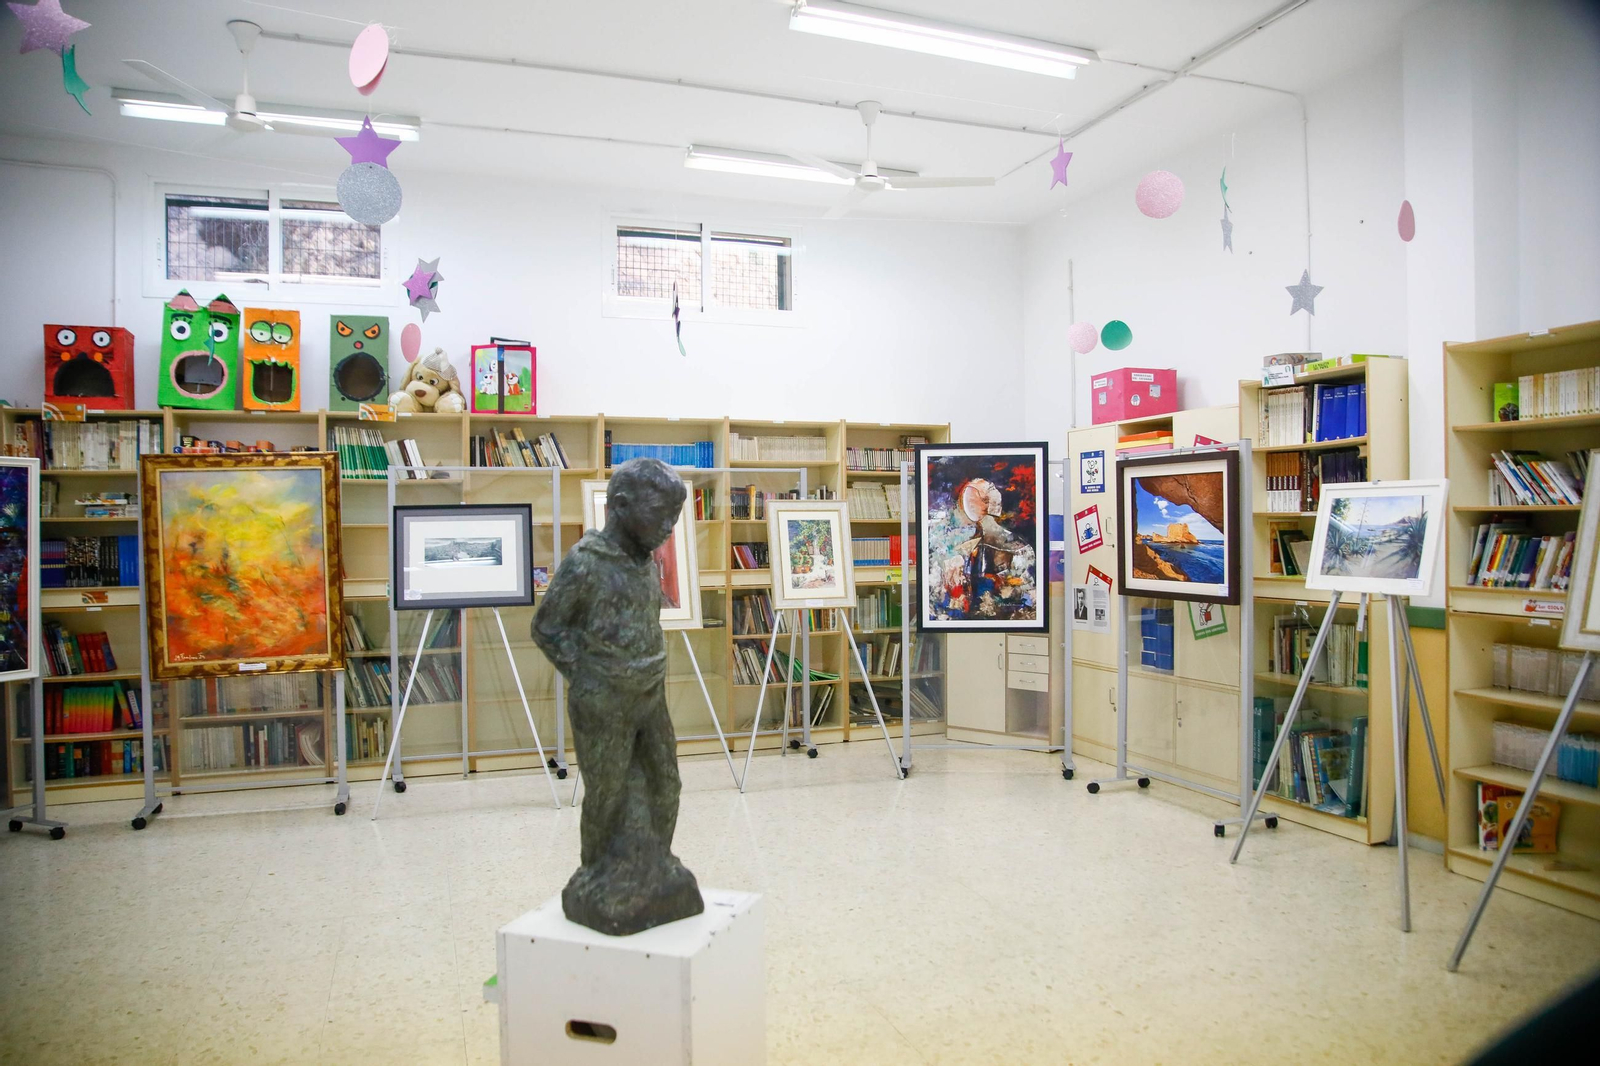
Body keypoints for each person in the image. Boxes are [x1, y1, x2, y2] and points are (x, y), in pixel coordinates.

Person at [531, 457, 704, 935]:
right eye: (661, 516)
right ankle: (597, 871)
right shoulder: (585, 562)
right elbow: (547, 628)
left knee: (665, 781)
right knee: (606, 792)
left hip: (650, 692)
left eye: (675, 518)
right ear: (621, 506)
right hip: (603, 700)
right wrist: (588, 674)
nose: (669, 529)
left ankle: (658, 862)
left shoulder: (647, 562)